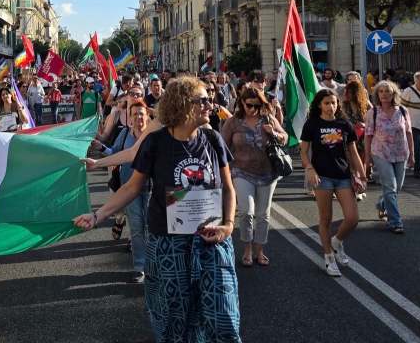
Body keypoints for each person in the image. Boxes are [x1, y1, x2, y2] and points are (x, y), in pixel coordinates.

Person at [73, 76, 240, 342]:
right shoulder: (156, 142)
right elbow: (132, 187)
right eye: (204, 100)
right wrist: (97, 215)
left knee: (223, 319)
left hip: (212, 243)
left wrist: (229, 225)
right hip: (169, 246)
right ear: (184, 104)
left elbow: (229, 188)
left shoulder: (213, 138)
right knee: (174, 321)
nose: (211, 104)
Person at [82, 101, 153, 283]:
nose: (138, 117)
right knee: (137, 226)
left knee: (150, 226)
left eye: (141, 114)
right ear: (129, 119)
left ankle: (153, 264)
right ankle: (140, 267)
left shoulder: (154, 136)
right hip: (129, 188)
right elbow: (116, 152)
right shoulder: (124, 134)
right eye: (135, 114)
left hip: (152, 188)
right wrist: (101, 148)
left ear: (148, 116)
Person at [299, 89, 366, 277]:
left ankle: (337, 241)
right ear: (319, 105)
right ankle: (329, 257)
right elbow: (303, 151)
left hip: (343, 175)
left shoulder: (344, 124)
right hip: (322, 177)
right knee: (326, 219)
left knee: (352, 218)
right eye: (327, 103)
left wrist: (361, 175)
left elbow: (353, 152)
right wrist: (309, 169)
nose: (331, 106)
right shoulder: (312, 124)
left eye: (334, 103)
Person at [220, 86, 288, 267]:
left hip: (267, 172)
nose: (253, 109)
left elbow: (285, 137)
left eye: (257, 106)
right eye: (250, 105)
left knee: (263, 214)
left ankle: (260, 250)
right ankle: (247, 248)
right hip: (241, 171)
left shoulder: (267, 118)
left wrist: (273, 132)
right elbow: (222, 148)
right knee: (246, 212)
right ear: (242, 103)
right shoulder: (233, 122)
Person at [365, 81, 415, 234]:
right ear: (377, 94)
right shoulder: (373, 112)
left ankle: (382, 204)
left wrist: (412, 154)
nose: (384, 94)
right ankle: (395, 222)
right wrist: (367, 157)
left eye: (388, 91)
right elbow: (368, 135)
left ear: (394, 94)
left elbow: (409, 133)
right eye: (381, 91)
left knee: (396, 187)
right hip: (381, 153)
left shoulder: (403, 111)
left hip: (401, 153)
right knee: (390, 186)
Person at [341, 79, 373, 197]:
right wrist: (353, 125)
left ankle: (361, 186)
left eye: (349, 92)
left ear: (356, 93)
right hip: (349, 137)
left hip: (363, 137)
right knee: (351, 162)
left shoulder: (366, 105)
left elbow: (374, 118)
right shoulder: (344, 105)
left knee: (362, 162)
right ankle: (354, 186)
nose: (346, 94)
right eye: (346, 92)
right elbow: (342, 119)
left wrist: (365, 124)